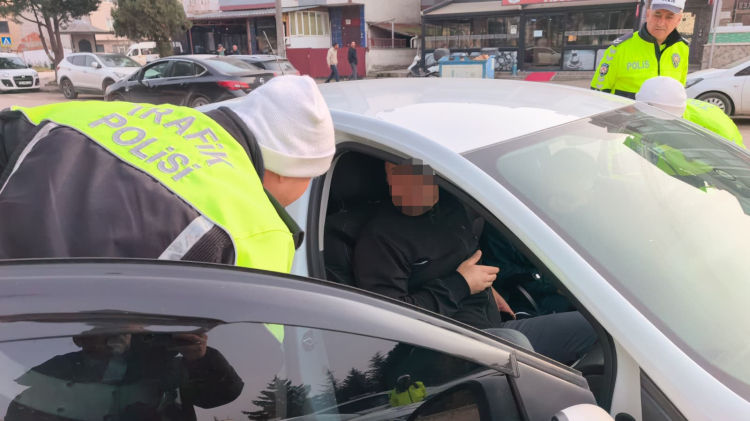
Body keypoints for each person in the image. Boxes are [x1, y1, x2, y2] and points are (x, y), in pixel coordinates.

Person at [0, 75, 335, 274]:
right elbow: (259, 358)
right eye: (310, 176)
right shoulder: (259, 232)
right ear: (286, 171)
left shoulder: (142, 116)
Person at [353, 159, 598, 366]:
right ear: (387, 177)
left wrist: (489, 288)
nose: (406, 180)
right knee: (515, 347)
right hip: (446, 349)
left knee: (592, 327)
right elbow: (390, 319)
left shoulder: (453, 205)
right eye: (395, 171)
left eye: (415, 171)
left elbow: (466, 260)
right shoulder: (379, 238)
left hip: (494, 325)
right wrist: (461, 284)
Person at [5, 326, 244, 421]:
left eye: (125, 324)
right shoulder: (47, 380)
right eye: (104, 325)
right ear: (79, 339)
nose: (117, 331)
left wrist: (200, 358)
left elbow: (222, 395)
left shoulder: (170, 368)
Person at [591, 0, 689, 99]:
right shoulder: (619, 48)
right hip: (623, 110)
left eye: (669, 17)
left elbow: (679, 93)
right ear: (648, 15)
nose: (661, 23)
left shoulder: (682, 48)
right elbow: (597, 94)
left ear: (679, 20)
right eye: (657, 15)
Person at [636, 76, 745, 148]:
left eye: (659, 118)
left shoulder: (715, 127)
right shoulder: (673, 103)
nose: (652, 121)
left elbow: (736, 162)